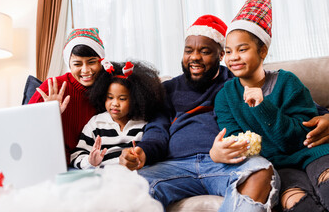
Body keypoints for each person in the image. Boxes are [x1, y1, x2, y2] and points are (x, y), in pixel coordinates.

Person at [120, 15, 280, 211]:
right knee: (130, 186)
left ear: (221, 55)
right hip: (175, 166)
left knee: (261, 172)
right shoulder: (168, 89)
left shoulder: (237, 81)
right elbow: (157, 130)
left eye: (204, 51)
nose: (194, 57)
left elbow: (282, 104)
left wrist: (324, 116)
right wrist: (142, 152)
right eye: (189, 51)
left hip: (228, 165)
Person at [214, 0, 329, 211]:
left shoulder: (288, 82)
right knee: (296, 202)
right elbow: (239, 142)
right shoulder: (225, 97)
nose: (233, 57)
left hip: (312, 152)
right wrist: (228, 147)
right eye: (228, 52)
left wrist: (262, 106)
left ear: (262, 51)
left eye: (242, 49)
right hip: (277, 165)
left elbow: (299, 137)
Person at [29, 28, 114, 165]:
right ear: (69, 64)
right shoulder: (52, 87)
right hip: (55, 161)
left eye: (92, 62)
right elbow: (27, 131)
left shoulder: (110, 87)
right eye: (77, 64)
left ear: (101, 62)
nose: (86, 70)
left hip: (92, 161)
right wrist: (48, 113)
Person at [70, 61, 164, 168]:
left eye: (122, 99)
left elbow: (150, 152)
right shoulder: (96, 123)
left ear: (136, 99)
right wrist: (90, 161)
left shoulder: (143, 123)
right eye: (110, 97)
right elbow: (76, 155)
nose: (115, 104)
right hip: (104, 176)